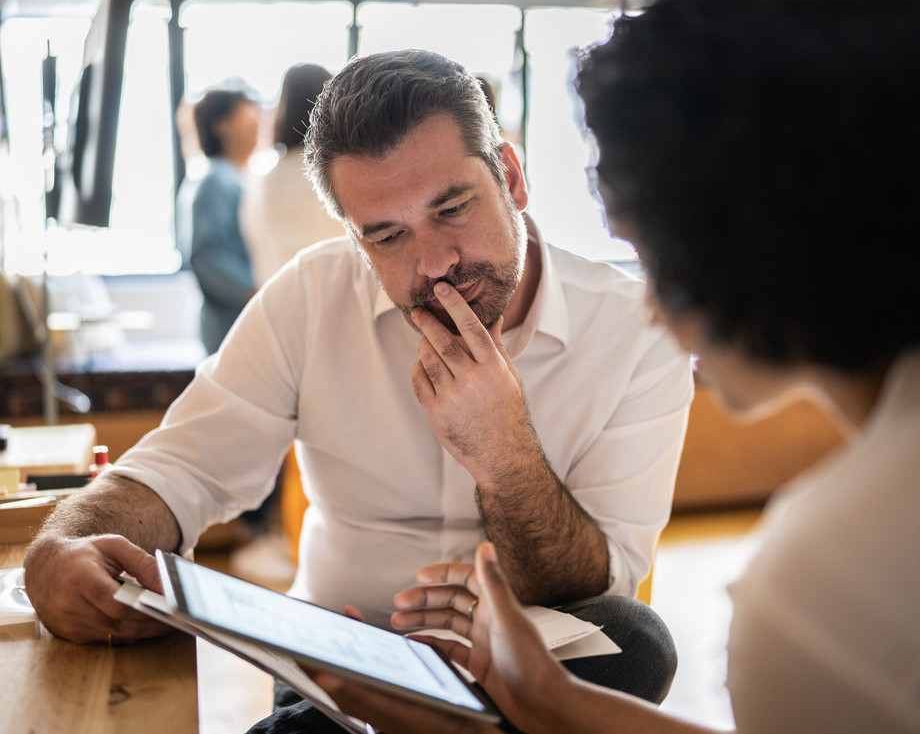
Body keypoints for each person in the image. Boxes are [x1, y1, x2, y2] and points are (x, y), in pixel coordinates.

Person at [22, 49, 693, 731]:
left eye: (453, 208)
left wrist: (505, 453)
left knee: (636, 640)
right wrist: (58, 548)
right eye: (388, 236)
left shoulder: (638, 330)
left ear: (512, 178)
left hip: (525, 660)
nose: (435, 264)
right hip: (345, 657)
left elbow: (599, 584)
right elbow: (177, 471)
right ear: (354, 236)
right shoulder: (310, 296)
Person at [303, 0, 920, 733]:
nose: (652, 310)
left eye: (655, 261)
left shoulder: (822, 592)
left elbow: (610, 578)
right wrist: (555, 704)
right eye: (386, 235)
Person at [240, 63, 345, 287]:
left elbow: (257, 250)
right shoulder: (335, 171)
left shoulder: (261, 180)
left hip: (277, 296)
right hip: (336, 293)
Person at [187, 87, 259, 355]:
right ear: (222, 126)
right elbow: (207, 257)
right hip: (230, 324)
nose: (257, 121)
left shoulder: (240, 178)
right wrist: (256, 291)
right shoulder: (215, 181)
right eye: (248, 114)